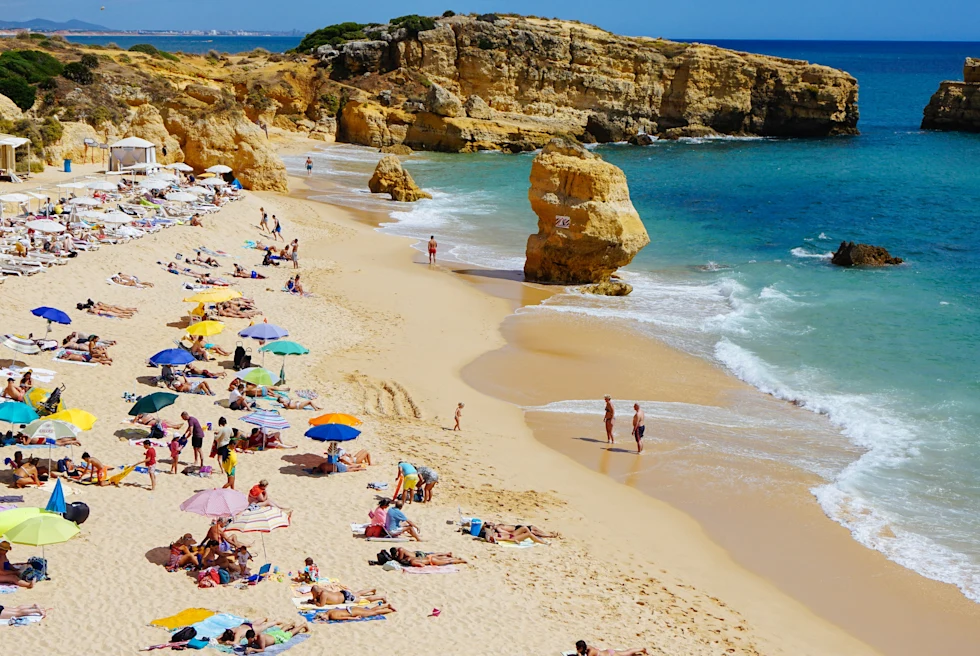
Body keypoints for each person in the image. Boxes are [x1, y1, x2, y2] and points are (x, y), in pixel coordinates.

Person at [244, 621, 309, 652]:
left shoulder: (261, 637)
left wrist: (252, 649)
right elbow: (249, 645)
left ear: (252, 637)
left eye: (249, 640)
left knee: (289, 633)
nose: (249, 641)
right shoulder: (251, 637)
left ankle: (303, 625)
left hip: (276, 638)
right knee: (281, 630)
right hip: (272, 635)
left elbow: (262, 649)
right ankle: (291, 623)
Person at [307, 583, 387, 606]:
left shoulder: (323, 594)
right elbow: (315, 594)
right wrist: (313, 599)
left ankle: (381, 597)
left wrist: (315, 602)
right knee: (357, 593)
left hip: (346, 598)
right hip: (343, 593)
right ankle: (371, 589)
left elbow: (321, 604)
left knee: (364, 600)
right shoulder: (322, 590)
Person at [390, 546, 466, 567]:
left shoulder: (412, 561)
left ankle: (462, 561)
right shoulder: (411, 558)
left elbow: (422, 565)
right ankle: (457, 559)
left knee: (447, 561)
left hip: (431, 561)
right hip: (427, 558)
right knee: (442, 558)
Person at [315, 604, 397, 622]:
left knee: (373, 613)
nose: (325, 620)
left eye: (324, 619)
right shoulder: (329, 611)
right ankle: (386, 605)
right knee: (370, 610)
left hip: (353, 612)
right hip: (350, 608)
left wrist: (354, 618)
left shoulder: (332, 616)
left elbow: (345, 618)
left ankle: (390, 610)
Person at [574, 641, 648, 656]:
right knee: (626, 653)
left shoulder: (590, 652)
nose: (577, 649)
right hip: (608, 652)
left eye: (578, 648)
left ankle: (642, 650)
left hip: (610, 655)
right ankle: (641, 649)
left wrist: (579, 654)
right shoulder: (588, 647)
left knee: (627, 654)